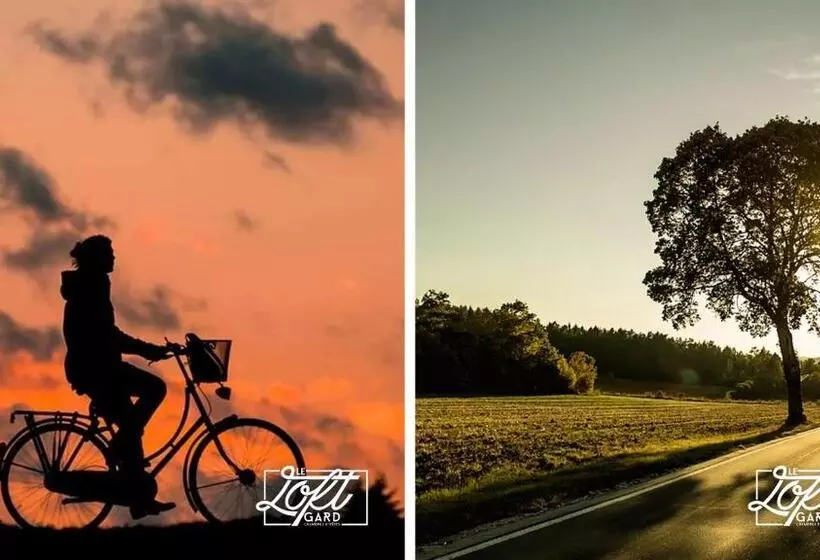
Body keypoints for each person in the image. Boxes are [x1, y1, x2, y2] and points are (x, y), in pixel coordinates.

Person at [59, 234, 176, 519]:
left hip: (96, 368)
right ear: (97, 259)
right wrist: (150, 350)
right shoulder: (92, 286)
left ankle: (138, 497)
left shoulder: (89, 285)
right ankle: (119, 451)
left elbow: (108, 335)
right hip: (96, 369)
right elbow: (108, 335)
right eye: (109, 253)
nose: (114, 258)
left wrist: (147, 350)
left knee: (130, 426)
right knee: (154, 388)